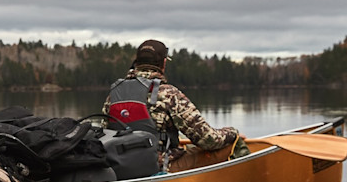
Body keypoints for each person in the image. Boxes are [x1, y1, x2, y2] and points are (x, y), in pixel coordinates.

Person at [103, 39, 248, 172]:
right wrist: (232, 133)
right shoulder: (168, 94)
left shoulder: (114, 94)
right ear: (164, 63)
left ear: (137, 63)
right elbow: (208, 140)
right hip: (159, 166)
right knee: (230, 146)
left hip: (120, 166)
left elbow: (105, 135)